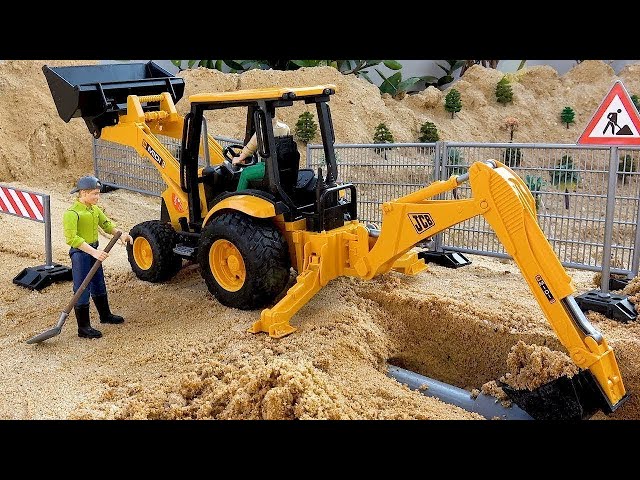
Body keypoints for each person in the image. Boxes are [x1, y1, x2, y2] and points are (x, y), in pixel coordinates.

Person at [63, 175, 133, 339]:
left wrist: (120, 234)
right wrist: (93, 252)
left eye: (98, 193)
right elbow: (72, 239)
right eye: (94, 194)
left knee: (98, 283)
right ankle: (83, 327)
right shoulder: (72, 213)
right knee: (81, 288)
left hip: (94, 252)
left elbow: (107, 225)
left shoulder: (94, 210)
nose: (97, 197)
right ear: (83, 193)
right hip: (81, 254)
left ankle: (105, 315)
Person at [233, 117, 290, 191]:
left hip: (270, 167)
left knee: (245, 173)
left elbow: (249, 148)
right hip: (282, 165)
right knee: (257, 165)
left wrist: (238, 159)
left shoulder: (262, 131)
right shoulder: (285, 128)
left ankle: (237, 198)